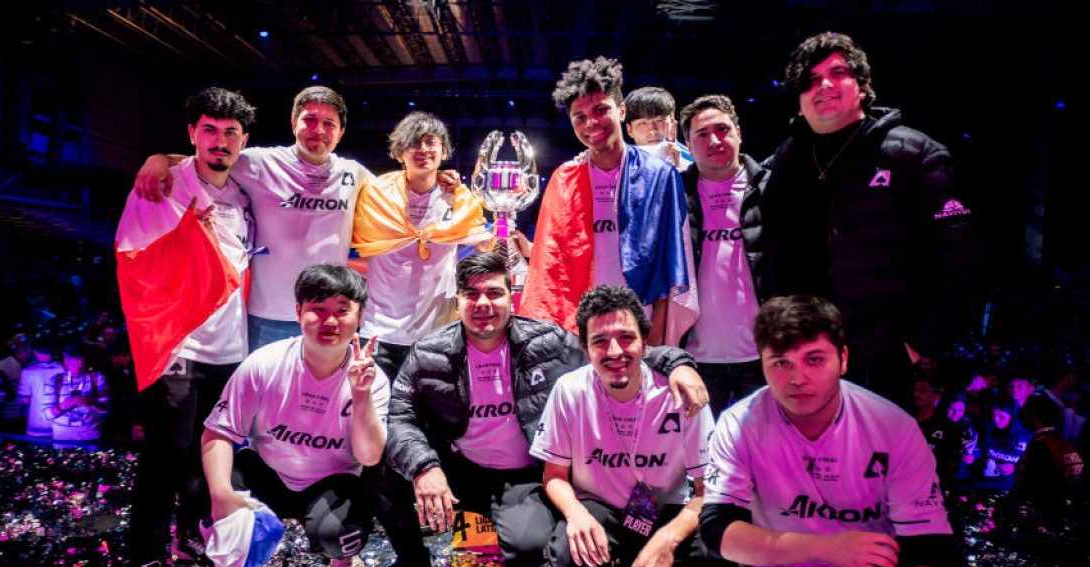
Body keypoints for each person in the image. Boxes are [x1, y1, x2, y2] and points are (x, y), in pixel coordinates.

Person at [365, 255, 709, 567]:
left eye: (494, 293)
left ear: (511, 298)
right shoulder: (429, 352)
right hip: (457, 467)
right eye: (472, 294)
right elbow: (400, 415)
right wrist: (424, 466)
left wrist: (677, 363)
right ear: (458, 302)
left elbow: (612, 352)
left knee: (529, 546)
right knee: (380, 471)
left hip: (521, 476)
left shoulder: (548, 342)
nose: (483, 304)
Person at [700, 295, 970, 567]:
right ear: (762, 364)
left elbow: (932, 551)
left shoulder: (893, 428)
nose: (797, 378)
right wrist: (824, 547)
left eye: (814, 359)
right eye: (781, 362)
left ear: (843, 359)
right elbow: (718, 533)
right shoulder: (739, 424)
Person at [748, 32, 979, 402]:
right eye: (810, 80)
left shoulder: (913, 154)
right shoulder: (785, 159)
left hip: (877, 359)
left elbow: (961, 261)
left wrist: (916, 345)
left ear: (863, 85)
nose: (824, 85)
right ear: (799, 99)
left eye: (837, 73)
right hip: (797, 353)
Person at [134, 86, 459, 350]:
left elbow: (403, 189)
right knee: (266, 406)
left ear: (341, 132)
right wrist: (159, 160)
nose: (319, 130)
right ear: (294, 123)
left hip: (330, 316)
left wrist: (438, 177)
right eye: (310, 120)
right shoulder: (259, 163)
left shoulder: (355, 174)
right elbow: (207, 160)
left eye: (329, 123)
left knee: (323, 405)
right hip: (268, 317)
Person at [116, 87, 257, 567]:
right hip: (179, 346)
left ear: (243, 140)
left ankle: (189, 534)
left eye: (230, 133)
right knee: (164, 458)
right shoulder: (165, 184)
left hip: (231, 349)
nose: (220, 141)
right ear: (192, 134)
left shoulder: (243, 193)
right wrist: (160, 162)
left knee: (211, 455)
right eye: (209, 130)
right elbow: (134, 256)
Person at [192, 264, 388, 567]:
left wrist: (361, 395)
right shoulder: (264, 364)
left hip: (332, 481)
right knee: (208, 495)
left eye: (342, 310)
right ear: (298, 312)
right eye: (318, 309)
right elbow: (218, 432)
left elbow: (370, 455)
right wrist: (222, 497)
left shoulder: (372, 377)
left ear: (360, 316)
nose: (330, 320)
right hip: (269, 471)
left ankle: (343, 558)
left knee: (337, 534)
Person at [531, 285, 716, 567]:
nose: (614, 351)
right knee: (570, 544)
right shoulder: (569, 391)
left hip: (663, 509)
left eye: (626, 337)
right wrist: (576, 513)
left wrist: (667, 539)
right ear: (586, 351)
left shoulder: (680, 393)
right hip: (600, 509)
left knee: (712, 545)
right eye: (600, 341)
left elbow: (707, 490)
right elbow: (554, 476)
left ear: (645, 344)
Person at [520, 57, 696, 346]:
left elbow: (669, 265)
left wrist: (655, 344)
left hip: (641, 325)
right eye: (580, 117)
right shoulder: (564, 179)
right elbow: (550, 268)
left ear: (621, 110)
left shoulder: (659, 175)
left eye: (601, 110)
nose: (591, 123)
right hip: (579, 330)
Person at [351, 111, 494, 380]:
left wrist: (507, 220)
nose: (423, 149)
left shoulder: (457, 197)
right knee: (376, 405)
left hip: (437, 334)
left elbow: (489, 248)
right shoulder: (375, 194)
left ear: (443, 151)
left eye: (431, 142)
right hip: (380, 332)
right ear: (399, 152)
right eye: (414, 143)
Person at [678, 94, 766, 414]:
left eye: (722, 129)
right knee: (699, 446)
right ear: (688, 144)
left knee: (765, 444)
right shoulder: (673, 194)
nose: (714, 140)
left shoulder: (771, 188)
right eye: (702, 134)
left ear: (738, 133)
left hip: (763, 354)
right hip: (696, 359)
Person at [43, 343, 109, 447]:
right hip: (62, 439)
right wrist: (63, 406)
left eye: (81, 367)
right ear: (65, 361)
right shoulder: (54, 381)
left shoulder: (97, 378)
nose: (77, 371)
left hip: (91, 437)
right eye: (72, 366)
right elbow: (47, 415)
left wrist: (91, 403)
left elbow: (106, 409)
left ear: (86, 362)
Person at [623, 86, 692, 171]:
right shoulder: (619, 166)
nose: (653, 130)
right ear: (629, 130)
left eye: (660, 121)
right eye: (643, 123)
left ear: (672, 123)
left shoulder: (697, 162)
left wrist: (678, 171)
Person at [17, 338, 63, 439]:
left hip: (37, 426)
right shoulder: (62, 368)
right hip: (61, 424)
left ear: (35, 352)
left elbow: (25, 400)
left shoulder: (28, 372)